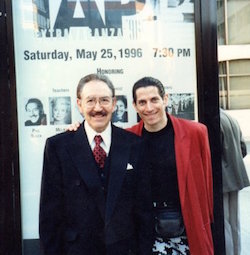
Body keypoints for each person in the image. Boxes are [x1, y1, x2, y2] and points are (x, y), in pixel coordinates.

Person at [68, 76, 214, 255]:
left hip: (186, 228)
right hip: (144, 231)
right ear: (135, 106)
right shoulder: (127, 139)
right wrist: (77, 130)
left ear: (165, 99)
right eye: (142, 102)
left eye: (154, 100)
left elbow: (207, 183)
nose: (149, 108)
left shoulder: (195, 133)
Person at [39, 74, 152, 255]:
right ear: (79, 104)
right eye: (90, 100)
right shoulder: (58, 147)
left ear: (114, 103)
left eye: (104, 100)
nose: (98, 108)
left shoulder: (134, 145)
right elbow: (49, 215)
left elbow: (144, 211)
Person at [220, 108, 250, 255]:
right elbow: (243, 148)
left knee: (223, 222)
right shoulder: (231, 118)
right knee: (234, 221)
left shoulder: (215, 120)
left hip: (222, 179)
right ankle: (236, 252)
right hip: (235, 176)